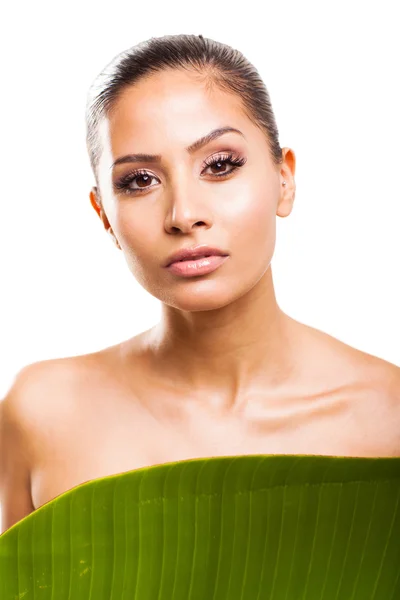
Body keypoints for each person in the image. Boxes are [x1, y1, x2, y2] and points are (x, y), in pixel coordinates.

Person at [1, 33, 399, 534]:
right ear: (104, 215)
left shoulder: (389, 417)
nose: (184, 215)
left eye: (220, 165)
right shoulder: (41, 412)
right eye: (139, 180)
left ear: (284, 179)